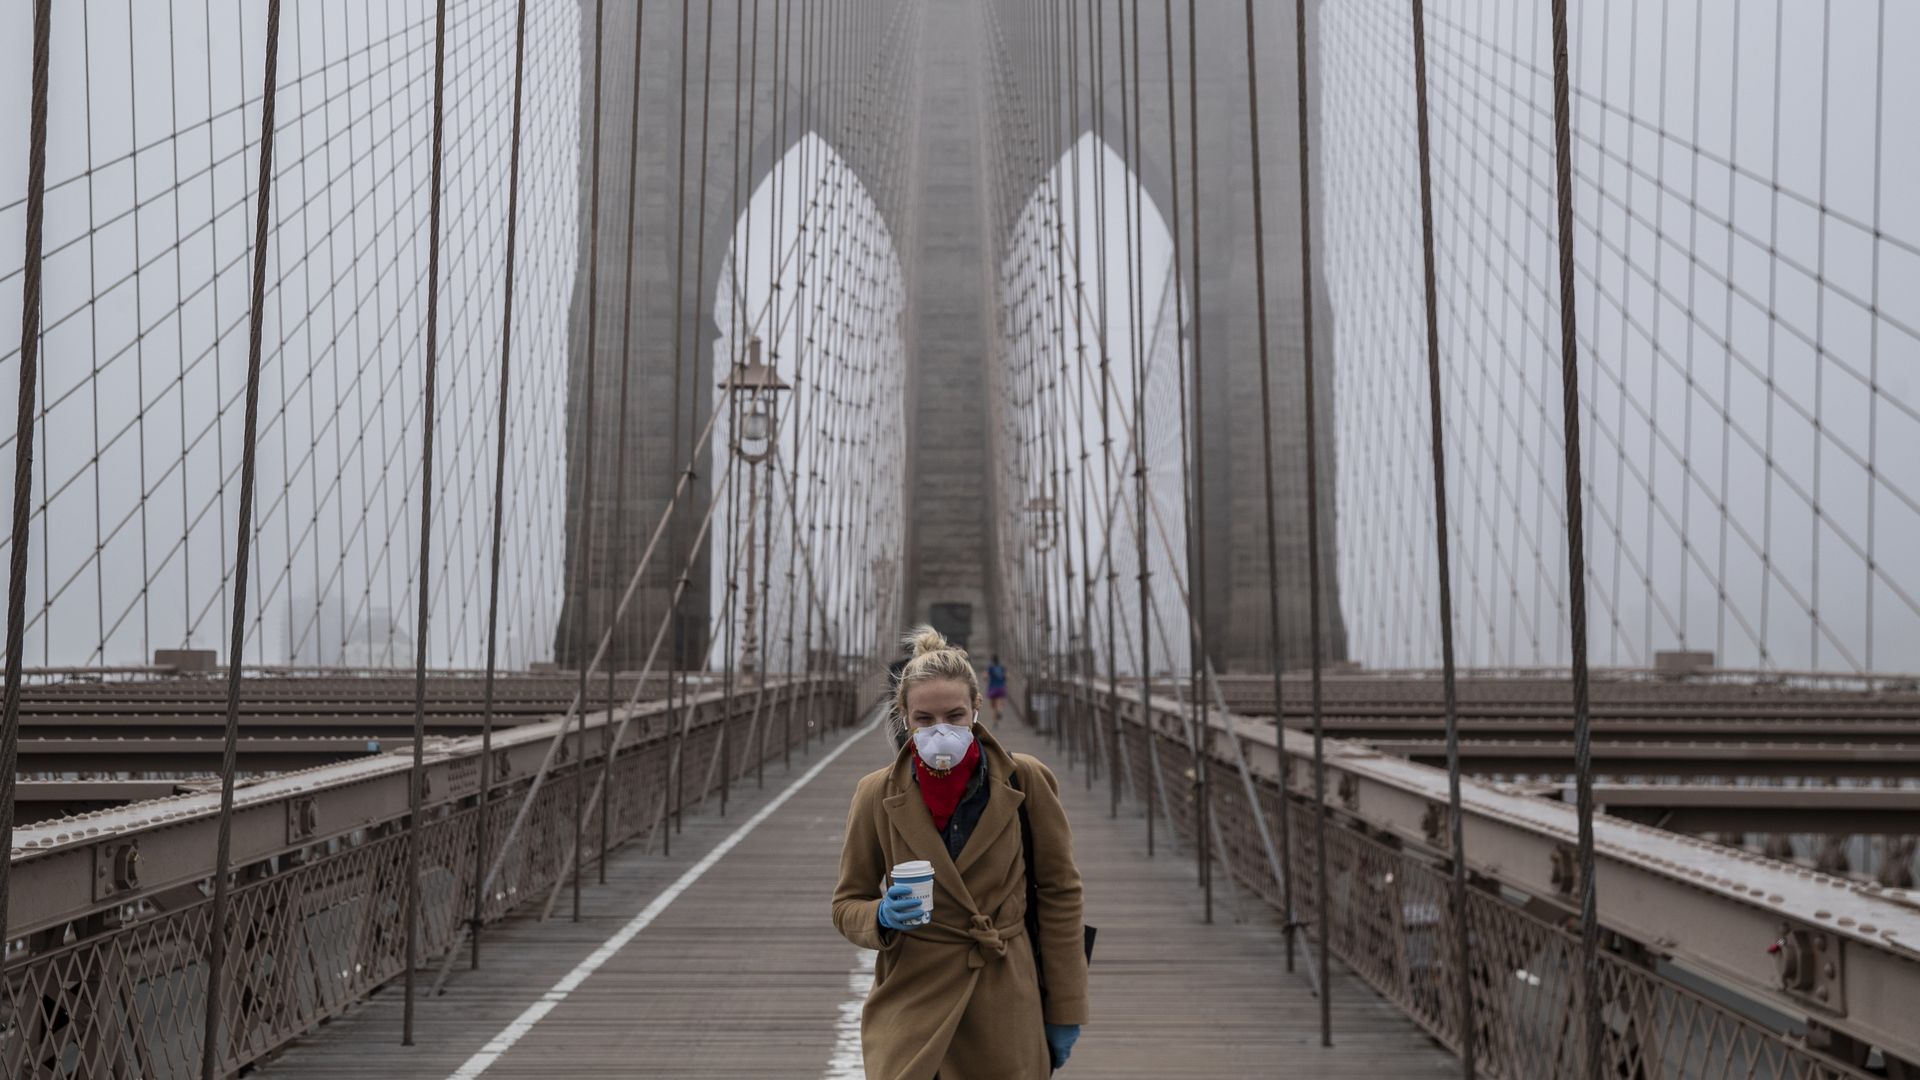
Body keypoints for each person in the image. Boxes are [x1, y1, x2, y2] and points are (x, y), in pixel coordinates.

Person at [832, 627, 1089, 1079]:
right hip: (911, 1005)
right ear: (904, 719)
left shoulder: (1023, 780)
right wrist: (881, 917)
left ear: (977, 708)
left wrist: (1066, 1009)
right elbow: (846, 904)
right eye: (924, 719)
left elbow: (1060, 893)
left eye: (954, 715)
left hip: (1003, 1002)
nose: (940, 731)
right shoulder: (875, 794)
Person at [983, 654, 1009, 723]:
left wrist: (987, 679)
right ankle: (1000, 711)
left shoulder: (990, 667)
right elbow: (1007, 676)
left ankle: (995, 721)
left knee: (993, 705)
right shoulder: (1002, 667)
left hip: (992, 688)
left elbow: (985, 676)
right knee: (999, 702)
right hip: (1001, 687)